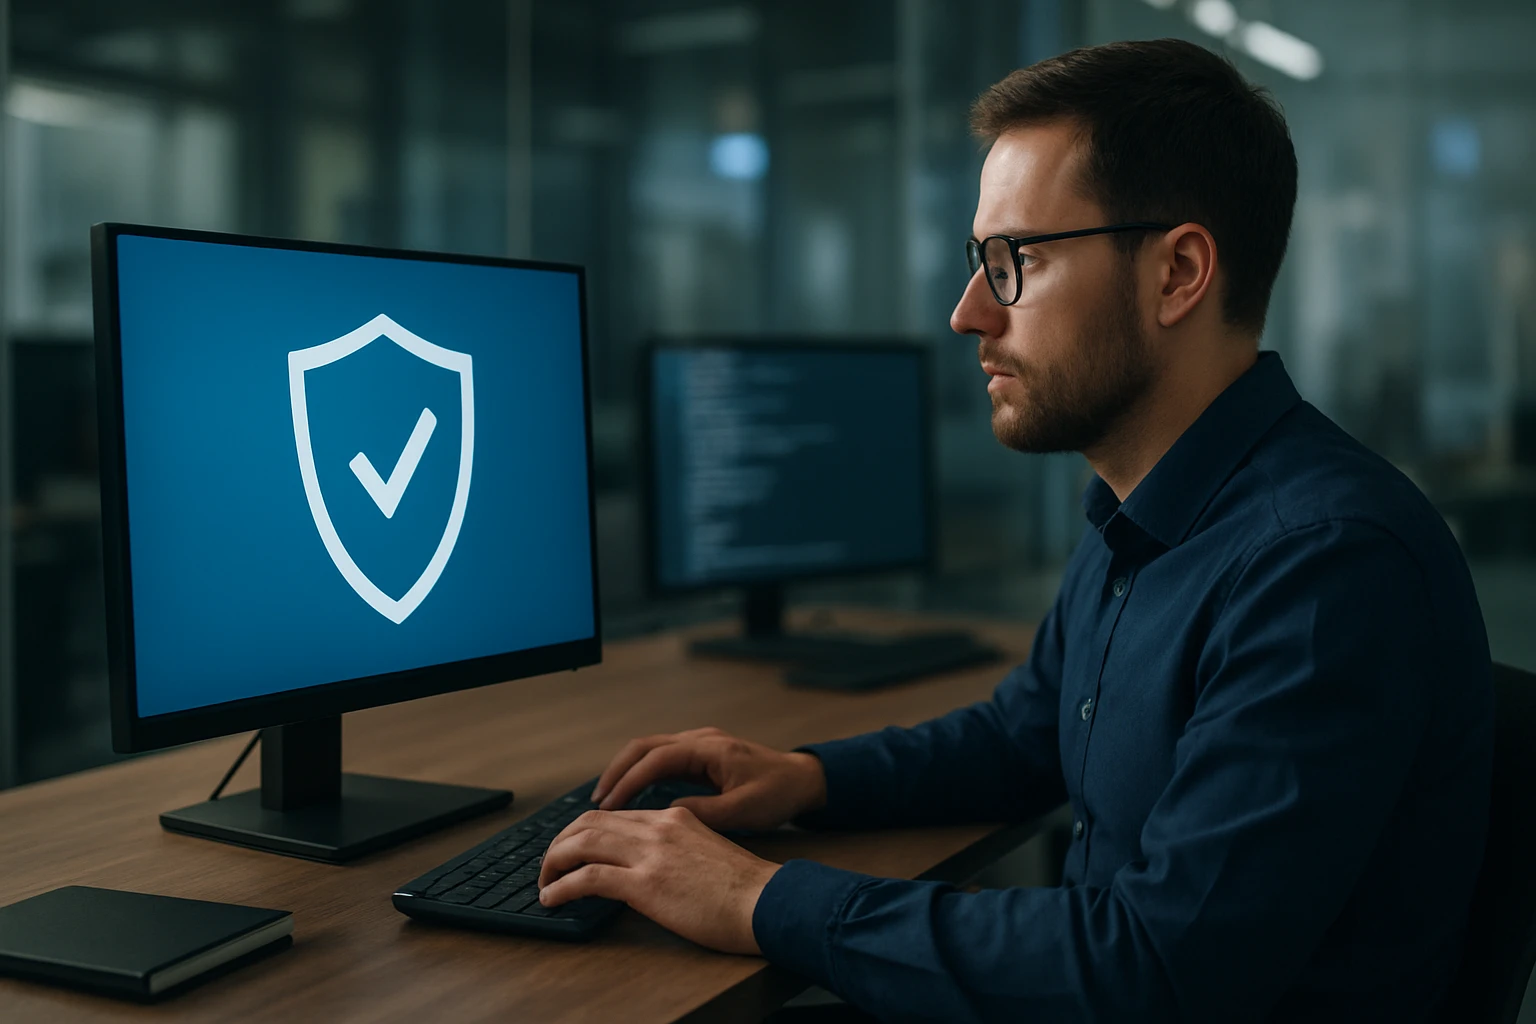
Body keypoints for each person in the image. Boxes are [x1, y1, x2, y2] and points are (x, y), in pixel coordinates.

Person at [536, 38, 1493, 1023]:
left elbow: (1154, 970)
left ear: (1178, 274)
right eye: (977, 262)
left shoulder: (1323, 567)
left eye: (1014, 262)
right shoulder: (1146, 508)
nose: (965, 315)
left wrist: (756, 895)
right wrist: (805, 778)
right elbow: (1027, 733)